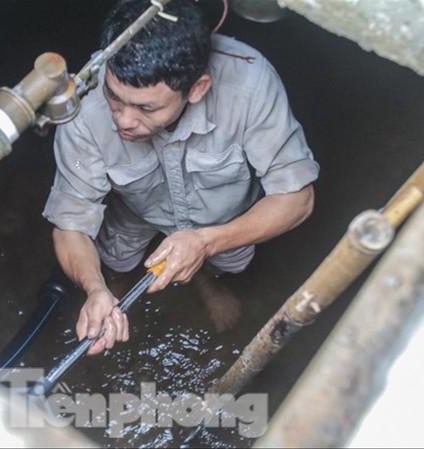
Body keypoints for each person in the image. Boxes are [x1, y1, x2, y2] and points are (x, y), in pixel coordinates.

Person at [42, 0, 319, 355]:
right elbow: (71, 222)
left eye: (146, 107)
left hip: (222, 220)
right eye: (115, 97)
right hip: (134, 211)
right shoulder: (84, 102)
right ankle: (113, 286)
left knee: (224, 262)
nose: (124, 120)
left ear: (198, 88)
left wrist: (206, 242)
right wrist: (94, 289)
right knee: (114, 261)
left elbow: (297, 197)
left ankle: (206, 282)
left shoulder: (249, 86)